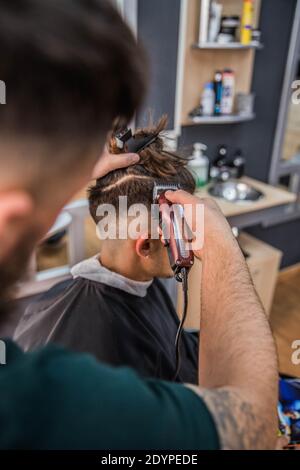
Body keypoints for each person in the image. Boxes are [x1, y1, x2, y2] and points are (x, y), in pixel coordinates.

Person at [0, 0, 278, 450]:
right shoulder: (62, 391)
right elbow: (255, 430)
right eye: (184, 235)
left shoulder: (130, 295)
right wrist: (221, 241)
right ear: (147, 243)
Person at [14, 116, 199, 383]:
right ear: (145, 244)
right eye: (184, 228)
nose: (193, 237)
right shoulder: (93, 344)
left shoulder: (145, 282)